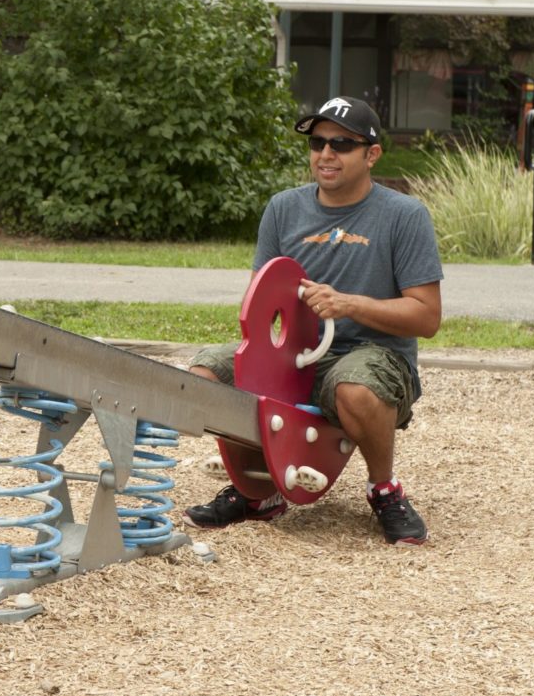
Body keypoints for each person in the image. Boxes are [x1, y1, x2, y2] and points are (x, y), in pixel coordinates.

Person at [186, 96, 443, 545]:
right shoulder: (283, 208)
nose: (326, 153)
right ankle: (257, 487)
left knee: (355, 386)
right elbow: (258, 297)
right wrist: (271, 346)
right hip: (296, 352)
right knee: (209, 371)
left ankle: (383, 489)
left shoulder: (405, 216)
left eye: (342, 144)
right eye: (318, 142)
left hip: (373, 355)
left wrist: (349, 305)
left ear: (372, 154)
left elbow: (427, 316)